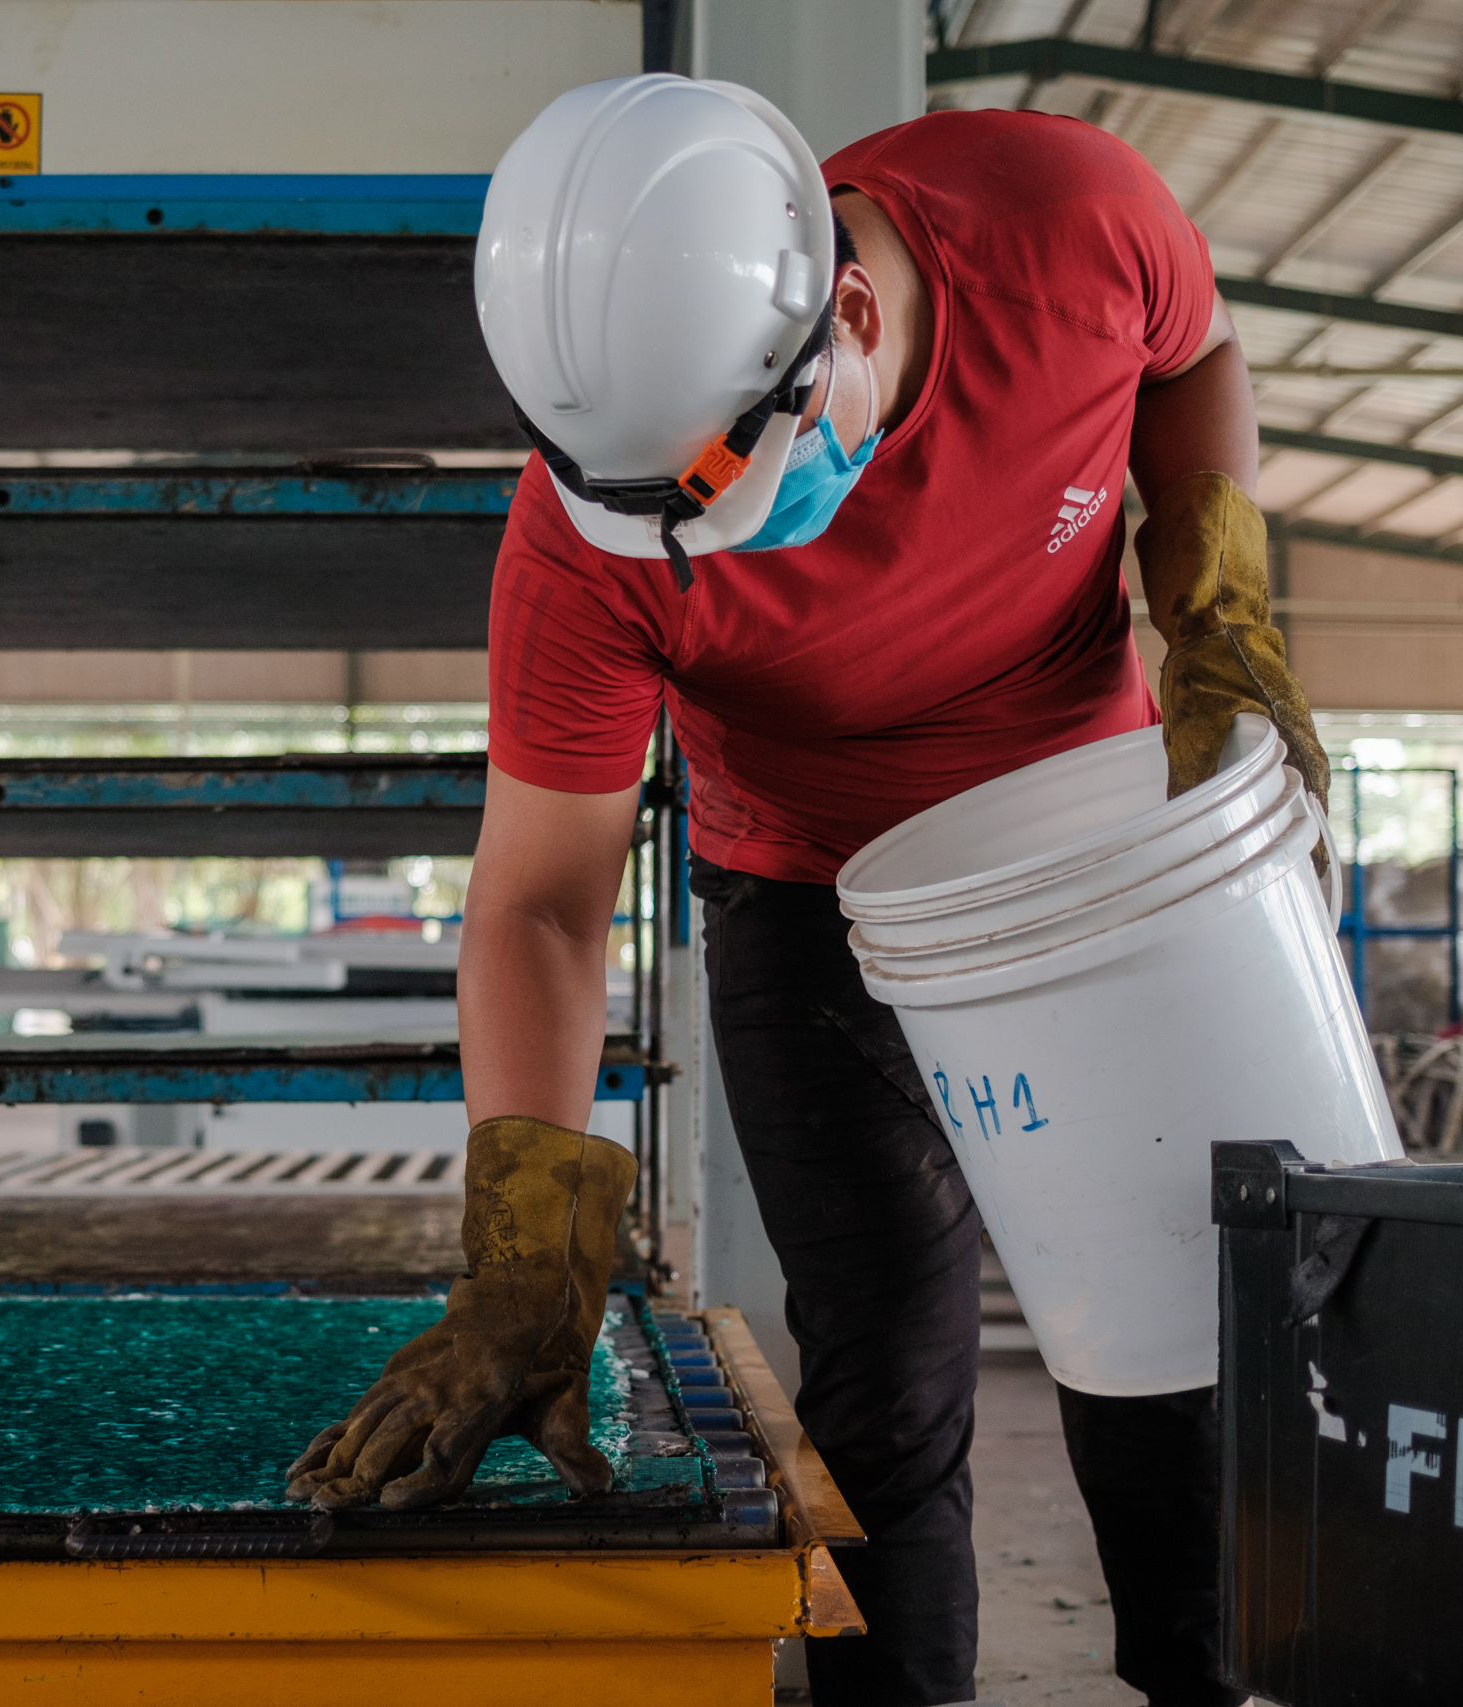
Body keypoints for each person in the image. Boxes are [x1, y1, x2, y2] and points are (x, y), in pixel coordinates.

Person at [284, 75, 1321, 1707]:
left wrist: (1219, 596)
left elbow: (1193, 357)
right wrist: (526, 1259)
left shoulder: (1068, 220)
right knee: (885, 1387)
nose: (717, 554)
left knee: (1170, 1351)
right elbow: (543, 902)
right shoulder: (580, 544)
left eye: (726, 491)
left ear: (846, 312)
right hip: (806, 907)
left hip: (1089, 866)